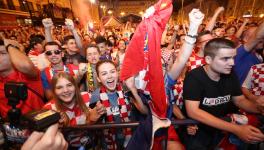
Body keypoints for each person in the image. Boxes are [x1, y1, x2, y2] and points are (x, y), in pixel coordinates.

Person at [183, 38, 264, 150]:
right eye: (225, 59)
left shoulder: (229, 74)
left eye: (232, 58)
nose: (232, 63)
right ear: (208, 59)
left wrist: (259, 108)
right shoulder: (194, 77)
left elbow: (239, 100)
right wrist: (236, 129)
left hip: (220, 127)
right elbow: (193, 112)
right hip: (197, 129)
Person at [43, 72, 105, 148]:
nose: (65, 90)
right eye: (59, 87)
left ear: (75, 86)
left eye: (69, 85)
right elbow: (50, 143)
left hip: (91, 145)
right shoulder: (49, 109)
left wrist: (97, 116)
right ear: (54, 91)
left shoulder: (87, 97)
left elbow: (100, 130)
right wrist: (58, 126)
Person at [89, 60, 132, 150]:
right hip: (108, 142)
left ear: (117, 73)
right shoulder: (95, 97)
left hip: (130, 138)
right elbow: (91, 123)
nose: (109, 76)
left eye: (112, 71)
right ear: (98, 79)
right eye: (104, 74)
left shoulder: (127, 90)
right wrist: (95, 115)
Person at [0, 39, 44, 119]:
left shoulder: (28, 75)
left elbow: (25, 66)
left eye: (2, 53)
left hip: (38, 127)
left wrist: (10, 46)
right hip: (10, 129)